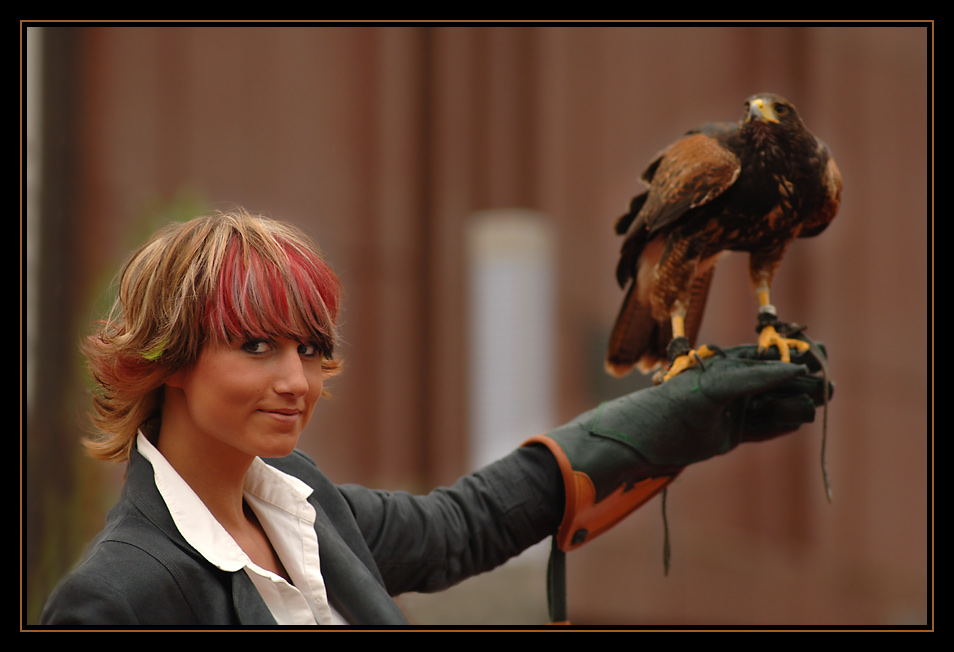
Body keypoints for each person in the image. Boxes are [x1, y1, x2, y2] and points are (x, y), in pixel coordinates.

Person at [39, 208, 830, 626]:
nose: (296, 381)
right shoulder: (116, 599)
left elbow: (466, 524)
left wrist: (662, 423)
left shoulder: (303, 505)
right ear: (168, 359)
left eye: (311, 349)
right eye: (256, 345)